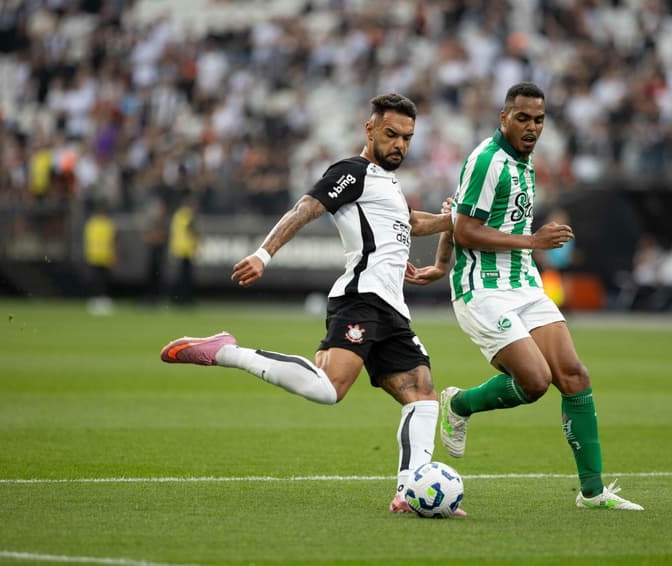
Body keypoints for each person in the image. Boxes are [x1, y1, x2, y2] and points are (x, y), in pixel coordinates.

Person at [159, 94, 463, 515]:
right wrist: (264, 255)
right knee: (328, 390)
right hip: (361, 300)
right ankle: (226, 351)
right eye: (391, 134)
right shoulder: (351, 172)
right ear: (369, 129)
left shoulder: (387, 183)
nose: (400, 145)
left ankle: (409, 492)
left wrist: (453, 219)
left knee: (423, 396)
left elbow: (414, 223)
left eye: (407, 138)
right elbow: (307, 207)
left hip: (392, 309)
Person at [406, 82, 643, 510]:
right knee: (535, 382)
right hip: (482, 289)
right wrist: (531, 243)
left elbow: (453, 211)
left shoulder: (526, 161)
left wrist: (441, 264)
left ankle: (592, 493)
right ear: (504, 118)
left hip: (524, 285)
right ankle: (459, 403)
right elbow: (463, 227)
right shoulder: (486, 160)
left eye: (539, 120)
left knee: (574, 376)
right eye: (523, 118)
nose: (532, 127)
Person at [83, 198, 117, 316]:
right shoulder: (94, 224)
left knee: (104, 279)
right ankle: (96, 300)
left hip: (104, 256)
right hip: (95, 256)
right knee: (96, 279)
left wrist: (113, 255)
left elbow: (111, 241)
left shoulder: (105, 224)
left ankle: (102, 300)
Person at [168, 194, 199, 306]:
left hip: (177, 249)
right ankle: (186, 299)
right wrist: (196, 242)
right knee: (186, 278)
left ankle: (176, 299)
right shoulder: (187, 215)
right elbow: (191, 230)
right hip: (186, 250)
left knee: (179, 277)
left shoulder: (177, 215)